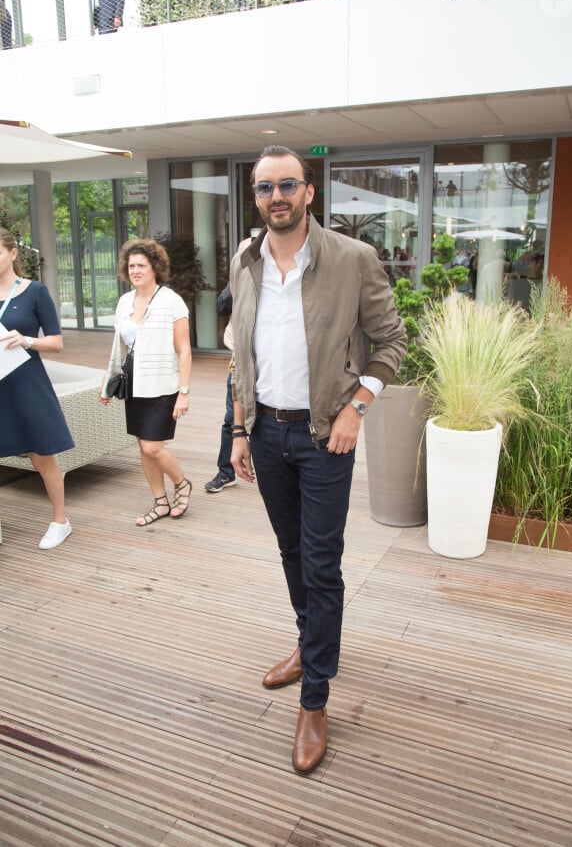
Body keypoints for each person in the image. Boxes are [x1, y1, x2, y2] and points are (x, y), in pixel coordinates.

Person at [229, 145, 407, 776]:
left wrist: (358, 406)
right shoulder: (244, 263)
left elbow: (392, 342)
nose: (275, 196)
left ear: (309, 192)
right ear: (255, 196)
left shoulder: (352, 260)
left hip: (325, 435)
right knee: (292, 553)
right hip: (267, 435)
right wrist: (238, 430)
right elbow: (240, 356)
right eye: (263, 187)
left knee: (323, 565)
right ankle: (311, 645)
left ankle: (315, 699)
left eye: (287, 185)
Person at [100, 239, 192, 526]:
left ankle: (181, 483)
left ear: (155, 267)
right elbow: (120, 348)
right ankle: (160, 502)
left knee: (153, 447)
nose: (136, 270)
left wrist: (184, 393)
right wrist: (108, 381)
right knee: (143, 447)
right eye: (131, 266)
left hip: (163, 385)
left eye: (141, 265)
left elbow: (184, 350)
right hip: (134, 384)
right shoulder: (124, 301)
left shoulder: (171, 301)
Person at [0, 228, 74, 549]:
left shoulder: (35, 292)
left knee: (41, 456)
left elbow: (57, 342)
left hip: (27, 383)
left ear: (13, 253)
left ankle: (60, 521)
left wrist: (26, 340)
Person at [205, 282, 236, 493]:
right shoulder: (241, 276)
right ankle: (226, 472)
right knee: (232, 419)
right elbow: (221, 307)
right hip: (241, 362)